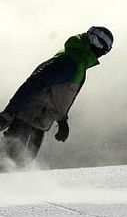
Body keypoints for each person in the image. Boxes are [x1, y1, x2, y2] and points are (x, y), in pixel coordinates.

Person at [0, 26, 113, 168]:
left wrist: (62, 120)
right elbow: (34, 83)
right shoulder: (71, 62)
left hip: (38, 122)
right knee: (9, 164)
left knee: (19, 164)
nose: (102, 52)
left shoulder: (79, 62)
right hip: (27, 119)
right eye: (101, 46)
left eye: (106, 50)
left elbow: (59, 94)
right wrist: (9, 113)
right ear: (93, 40)